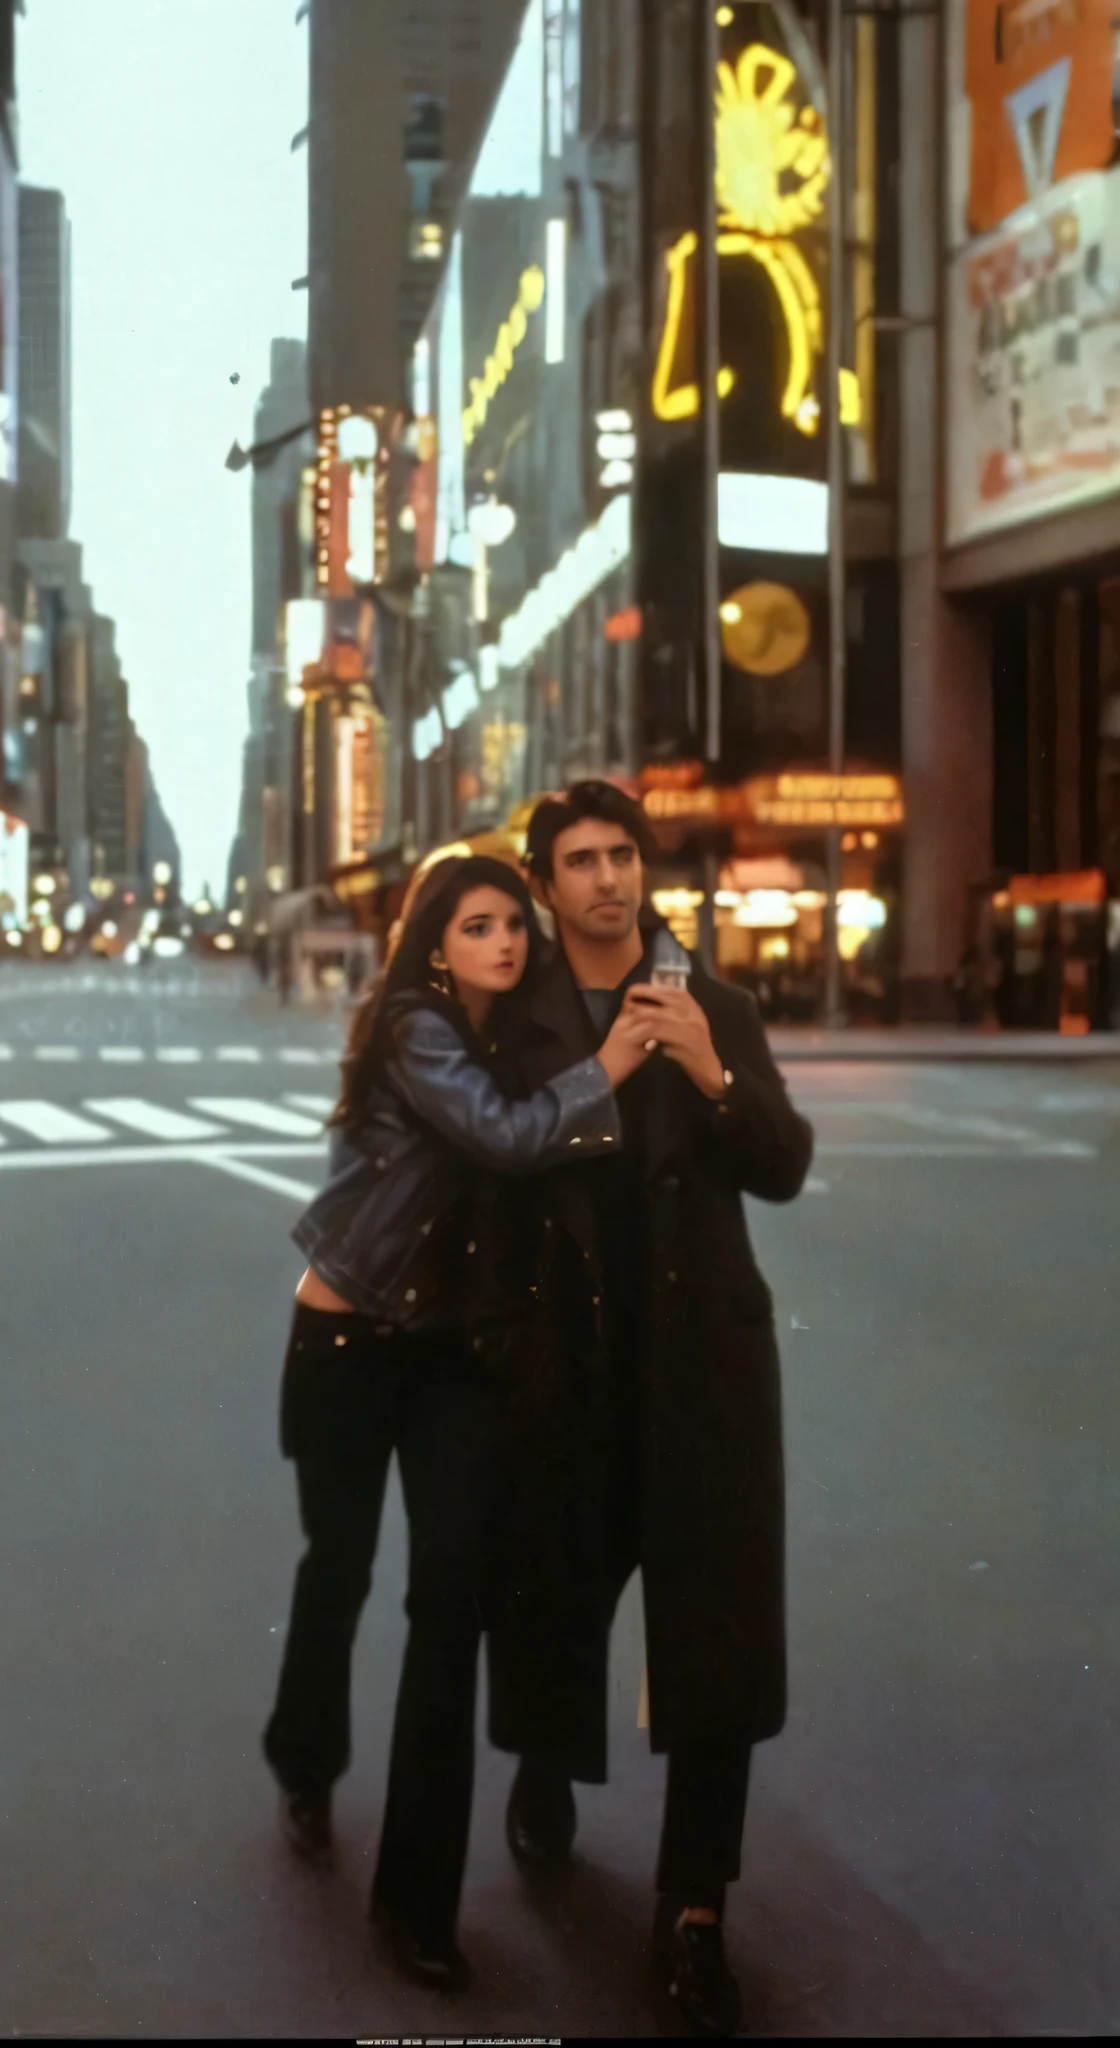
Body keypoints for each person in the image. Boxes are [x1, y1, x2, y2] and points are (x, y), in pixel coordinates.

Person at [262, 853, 658, 1992]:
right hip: (344, 1342)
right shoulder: (414, 1027)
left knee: (448, 1602)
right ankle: (303, 1754)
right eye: (479, 925)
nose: (505, 943)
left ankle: (414, 1902)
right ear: (437, 941)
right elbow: (509, 1136)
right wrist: (614, 1060)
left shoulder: (509, 1037)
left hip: (447, 1356)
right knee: (336, 1564)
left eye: (514, 928)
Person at [486, 781, 813, 2040]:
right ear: (542, 880)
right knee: (556, 1593)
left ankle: (693, 1912)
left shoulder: (711, 1001)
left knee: (714, 1637)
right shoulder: (510, 1023)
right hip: (568, 1367)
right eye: (580, 860)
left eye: (622, 854)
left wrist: (710, 1070)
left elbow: (780, 1163)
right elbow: (488, 1175)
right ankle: (541, 1766)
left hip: (699, 1371)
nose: (607, 879)